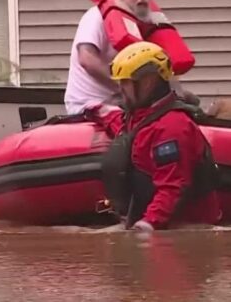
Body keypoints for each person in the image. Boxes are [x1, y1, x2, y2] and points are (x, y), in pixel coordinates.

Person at [85, 41, 222, 232]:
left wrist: (148, 223)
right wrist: (101, 112)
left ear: (148, 82)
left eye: (125, 82)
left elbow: (172, 187)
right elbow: (127, 131)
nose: (121, 88)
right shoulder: (141, 118)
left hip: (181, 227)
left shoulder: (172, 128)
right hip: (149, 219)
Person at [64, 0, 196, 115]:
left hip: (127, 102)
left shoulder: (148, 23)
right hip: (91, 104)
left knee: (188, 107)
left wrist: (179, 95)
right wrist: (124, 85)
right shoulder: (96, 16)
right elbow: (87, 59)